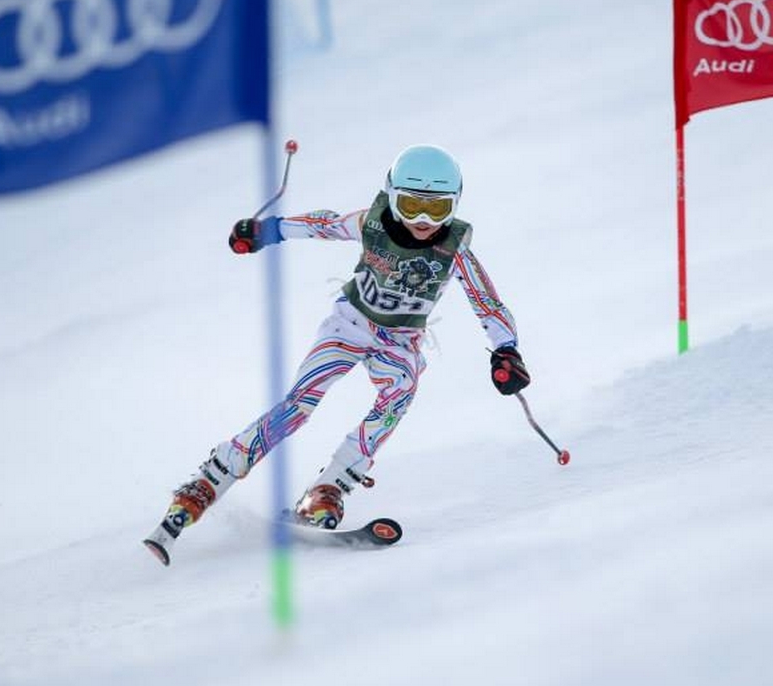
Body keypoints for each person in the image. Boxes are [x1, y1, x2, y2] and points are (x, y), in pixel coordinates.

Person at [144, 144, 530, 565]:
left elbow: (486, 302)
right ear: (391, 196)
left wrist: (506, 351)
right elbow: (323, 225)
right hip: (349, 326)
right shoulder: (373, 225)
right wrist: (268, 231)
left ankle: (331, 487)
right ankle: (210, 479)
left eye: (436, 210)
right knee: (299, 405)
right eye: (411, 205)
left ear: (454, 207)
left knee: (400, 390)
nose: (422, 220)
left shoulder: (454, 251)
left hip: (399, 342)